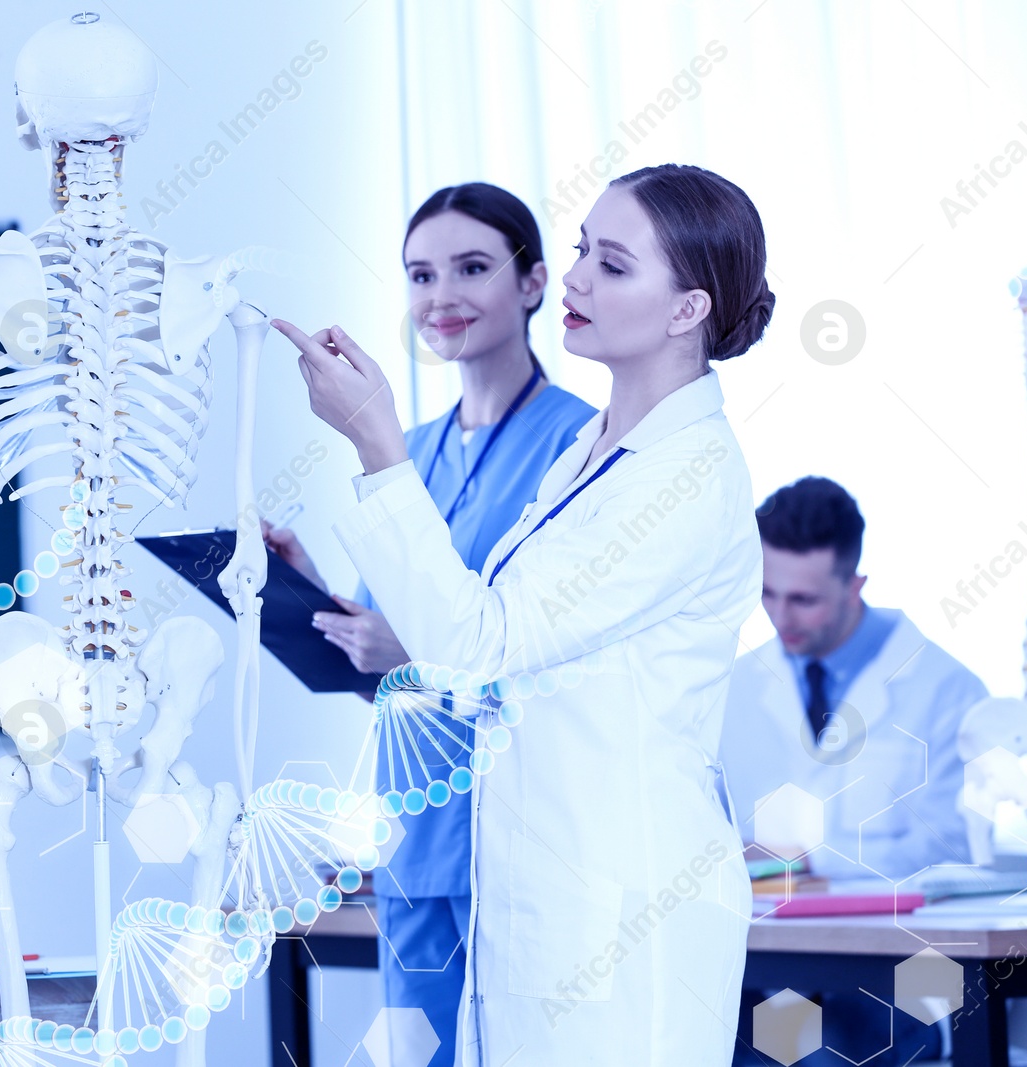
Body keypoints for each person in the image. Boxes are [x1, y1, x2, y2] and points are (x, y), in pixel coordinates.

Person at [274, 162, 776, 1065]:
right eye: (582, 248)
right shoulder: (592, 453)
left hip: (624, 909)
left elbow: (481, 643)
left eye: (612, 264)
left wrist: (375, 441)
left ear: (686, 310)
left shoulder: (687, 475)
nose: (576, 278)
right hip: (531, 885)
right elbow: (491, 648)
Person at [266, 182, 594, 1066]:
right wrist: (307, 590)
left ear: (532, 284)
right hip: (412, 826)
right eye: (420, 274)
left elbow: (566, 652)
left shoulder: (583, 447)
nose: (440, 295)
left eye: (472, 268)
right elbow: (389, 642)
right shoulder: (406, 446)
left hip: (515, 826)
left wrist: (407, 651)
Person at [722, 476, 987, 1066]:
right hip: (777, 967)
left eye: (804, 599)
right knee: (712, 1039)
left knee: (825, 1052)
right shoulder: (737, 688)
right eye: (768, 593)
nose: (780, 615)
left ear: (855, 586)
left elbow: (951, 851)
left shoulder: (946, 690)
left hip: (908, 973)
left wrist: (796, 858)